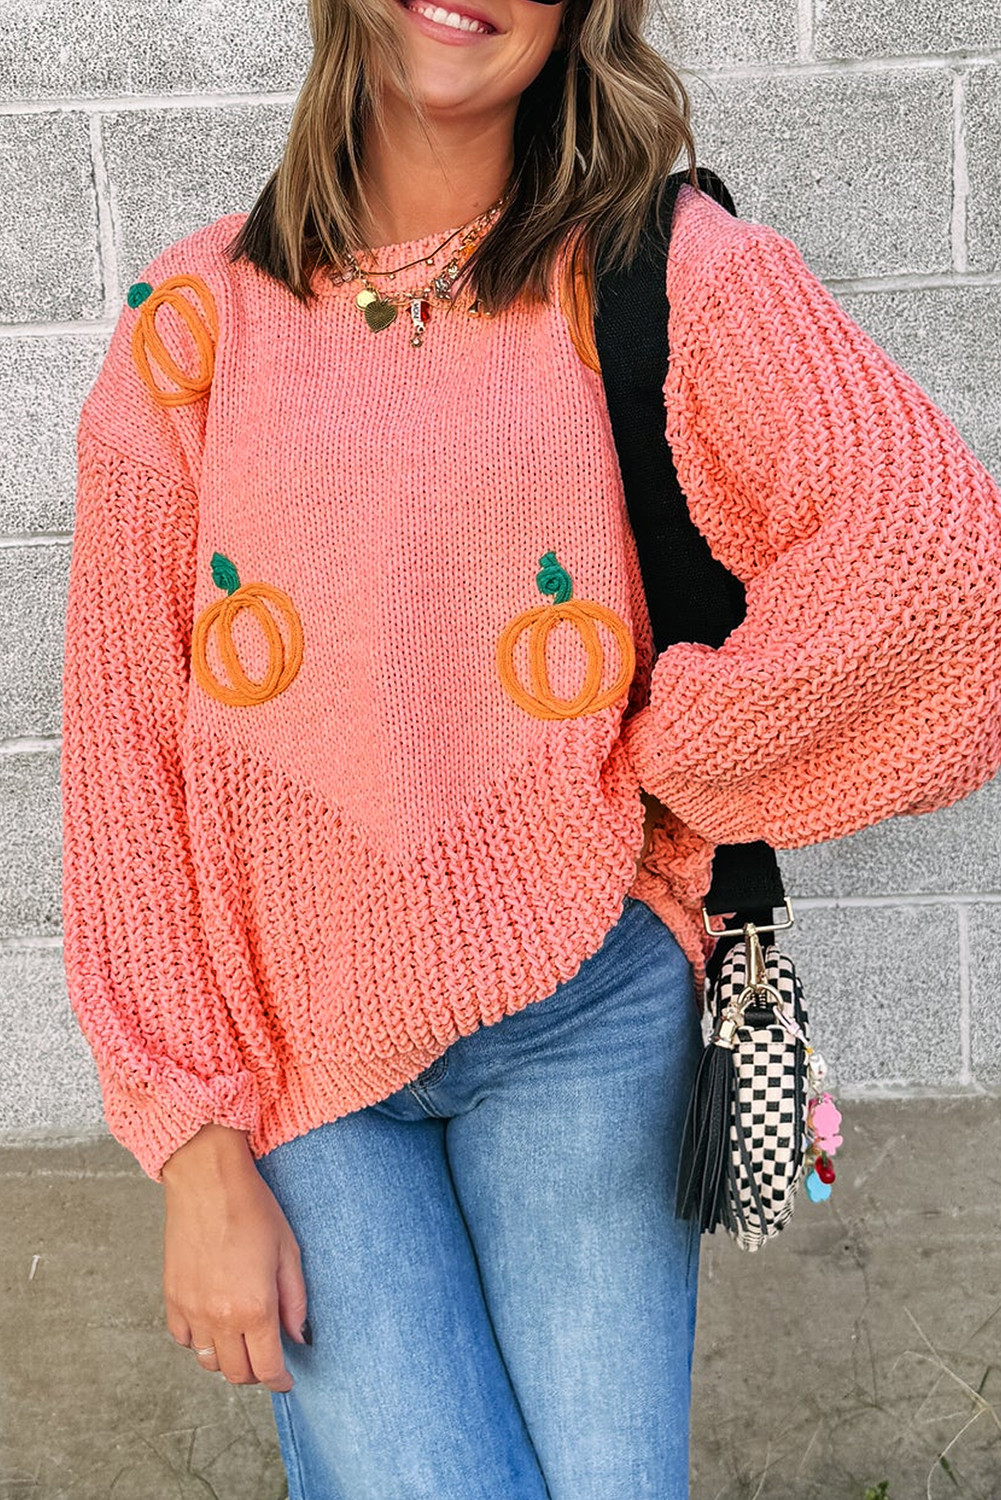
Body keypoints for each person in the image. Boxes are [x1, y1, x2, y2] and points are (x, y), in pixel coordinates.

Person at [59, 0, 1001, 1496]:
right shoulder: (194, 324)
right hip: (303, 1058)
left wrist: (658, 757)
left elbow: (936, 561)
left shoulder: (667, 272)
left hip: (585, 1023)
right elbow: (124, 757)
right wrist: (188, 1138)